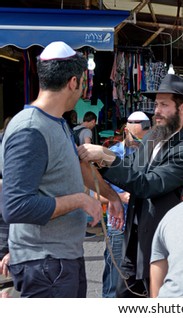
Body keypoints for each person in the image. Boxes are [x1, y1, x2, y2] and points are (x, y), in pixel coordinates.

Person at [0, 41, 124, 298]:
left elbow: (76, 168)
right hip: (44, 263)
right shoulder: (30, 130)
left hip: (60, 259)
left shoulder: (57, 123)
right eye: (82, 83)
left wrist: (111, 197)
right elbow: (15, 207)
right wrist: (79, 200)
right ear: (73, 82)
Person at [78, 74, 183, 297]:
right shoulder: (152, 137)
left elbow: (147, 185)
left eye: (164, 105)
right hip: (132, 242)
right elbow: (133, 169)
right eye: (156, 105)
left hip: (160, 250)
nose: (157, 111)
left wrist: (107, 158)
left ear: (182, 108)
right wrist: (104, 156)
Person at [102, 111, 150, 298]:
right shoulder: (111, 154)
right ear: (125, 130)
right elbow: (94, 193)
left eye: (142, 137)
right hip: (118, 225)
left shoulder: (151, 154)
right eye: (134, 136)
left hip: (142, 222)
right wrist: (119, 197)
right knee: (116, 273)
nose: (138, 141)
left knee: (137, 273)